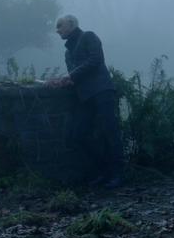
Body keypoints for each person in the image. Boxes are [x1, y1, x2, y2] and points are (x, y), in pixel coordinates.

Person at [50, 14, 124, 188]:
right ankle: (102, 171)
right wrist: (61, 82)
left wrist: (69, 76)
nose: (57, 29)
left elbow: (95, 60)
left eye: (60, 25)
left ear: (71, 24)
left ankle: (117, 175)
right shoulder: (68, 52)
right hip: (85, 98)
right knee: (78, 135)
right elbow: (75, 76)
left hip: (102, 91)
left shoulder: (89, 36)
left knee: (110, 132)